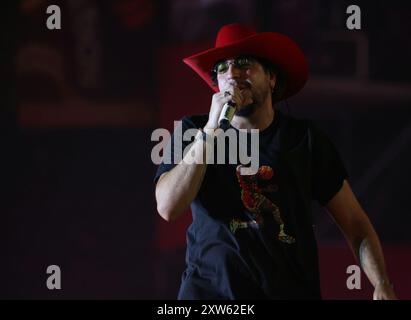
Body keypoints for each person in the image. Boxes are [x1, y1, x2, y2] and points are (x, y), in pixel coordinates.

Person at [154, 23, 397, 300]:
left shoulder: (304, 139)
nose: (232, 75)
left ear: (271, 77)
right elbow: (168, 207)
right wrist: (210, 132)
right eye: (222, 69)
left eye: (244, 65)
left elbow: (355, 224)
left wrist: (381, 283)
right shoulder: (192, 131)